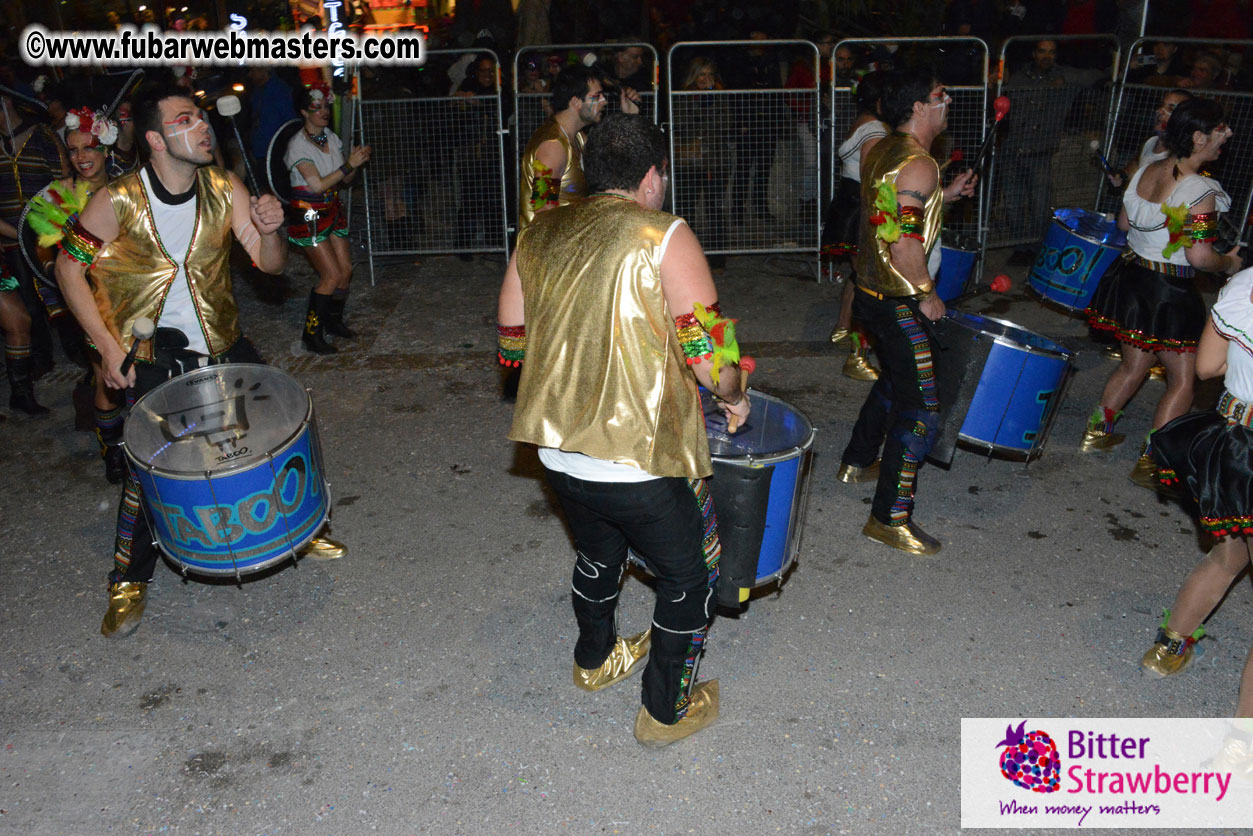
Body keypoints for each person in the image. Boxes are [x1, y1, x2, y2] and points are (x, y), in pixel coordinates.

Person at [54, 82, 347, 639]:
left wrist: (272, 228)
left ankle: (299, 528)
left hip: (223, 341)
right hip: (151, 355)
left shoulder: (222, 186)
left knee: (270, 431)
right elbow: (67, 270)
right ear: (157, 140)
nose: (203, 126)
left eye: (202, 117)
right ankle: (127, 579)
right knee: (148, 471)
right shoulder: (117, 200)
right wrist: (109, 348)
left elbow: (271, 265)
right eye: (186, 119)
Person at [497, 113, 749, 747]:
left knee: (598, 550)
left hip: (558, 453)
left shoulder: (540, 232)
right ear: (651, 177)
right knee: (692, 576)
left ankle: (594, 660)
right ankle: (665, 711)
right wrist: (736, 391)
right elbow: (710, 359)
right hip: (638, 460)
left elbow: (511, 345)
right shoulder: (664, 234)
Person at [835, 67, 977, 556]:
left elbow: (884, 214)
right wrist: (927, 294)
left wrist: (947, 196)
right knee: (922, 409)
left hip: (870, 295)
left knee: (895, 382)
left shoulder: (881, 150)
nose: (948, 100)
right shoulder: (920, 164)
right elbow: (905, 244)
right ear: (918, 107)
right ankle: (888, 518)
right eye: (940, 94)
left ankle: (856, 459)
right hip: (899, 301)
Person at [1083, 97, 1242, 487]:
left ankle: (1096, 433)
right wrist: (1230, 264)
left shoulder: (1147, 169)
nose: (1228, 134)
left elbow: (1124, 221)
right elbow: (1200, 256)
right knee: (1184, 378)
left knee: (1134, 364)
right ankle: (1153, 461)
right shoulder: (1200, 190)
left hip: (1134, 278)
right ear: (1199, 136)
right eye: (1221, 128)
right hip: (1169, 290)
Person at [1139, 266, 1253, 728]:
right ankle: (1242, 743)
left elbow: (1207, 367)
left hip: (1234, 443)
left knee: (1226, 558)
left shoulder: (1245, 282)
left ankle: (1167, 647)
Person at [25, 106, 127, 480]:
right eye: (73, 149)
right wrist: (58, 271)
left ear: (106, 150)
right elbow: (43, 246)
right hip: (89, 299)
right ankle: (113, 452)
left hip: (131, 293)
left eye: (89, 148)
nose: (81, 157)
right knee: (104, 371)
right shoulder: (59, 194)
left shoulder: (127, 187)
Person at [1000, 39, 1107, 266]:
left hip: (1040, 151)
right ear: (1034, 53)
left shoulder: (1064, 76)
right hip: (1013, 149)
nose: (1046, 56)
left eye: (1051, 52)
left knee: (1040, 204)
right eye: (1042, 51)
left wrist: (1065, 80)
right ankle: (1021, 248)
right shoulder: (1020, 76)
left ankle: (1037, 247)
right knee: (1014, 203)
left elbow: (1096, 76)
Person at [284, 83, 370, 354]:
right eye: (316, 107)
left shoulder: (331, 138)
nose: (324, 111)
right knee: (331, 275)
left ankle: (333, 322)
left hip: (332, 208)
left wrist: (354, 165)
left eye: (326, 106)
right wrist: (348, 165)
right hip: (308, 214)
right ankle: (311, 334)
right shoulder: (297, 145)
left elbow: (344, 178)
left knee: (345, 271)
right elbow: (317, 185)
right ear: (304, 112)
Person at [0, 86, 68, 416]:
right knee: (23, 308)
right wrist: (16, 234)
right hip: (8, 243)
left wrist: (50, 228)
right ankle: (36, 367)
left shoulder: (40, 135)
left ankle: (82, 356)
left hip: (46, 235)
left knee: (62, 293)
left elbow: (64, 182)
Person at [823, 71, 888, 382]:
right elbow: (871, 180)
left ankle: (842, 328)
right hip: (860, 208)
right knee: (869, 283)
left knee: (859, 275)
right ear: (879, 99)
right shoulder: (875, 129)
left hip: (850, 205)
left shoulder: (864, 121)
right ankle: (857, 356)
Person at [517, 65, 636, 232]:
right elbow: (543, 208)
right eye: (596, 96)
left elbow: (612, 168)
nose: (604, 101)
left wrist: (629, 117)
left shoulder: (578, 138)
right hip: (549, 250)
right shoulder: (553, 146)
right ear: (575, 102)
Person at [675, 57, 730, 270]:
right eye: (702, 74)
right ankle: (685, 256)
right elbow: (682, 125)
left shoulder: (720, 95)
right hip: (690, 162)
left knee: (715, 208)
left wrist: (708, 106)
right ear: (693, 76)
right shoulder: (683, 96)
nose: (706, 79)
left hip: (716, 161)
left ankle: (717, 258)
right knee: (686, 208)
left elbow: (725, 124)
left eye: (710, 74)